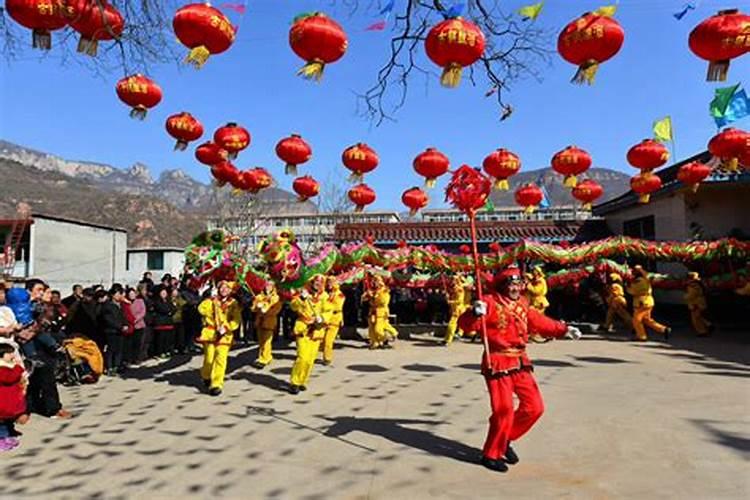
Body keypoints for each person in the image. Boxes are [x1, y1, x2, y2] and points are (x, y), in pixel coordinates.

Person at [459, 265, 582, 473]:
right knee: (503, 410)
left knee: (535, 407)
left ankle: (505, 437)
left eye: (518, 284)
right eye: (512, 284)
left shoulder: (523, 304)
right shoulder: (489, 302)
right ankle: (491, 454)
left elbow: (540, 322)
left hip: (520, 361)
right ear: (503, 285)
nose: (516, 288)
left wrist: (563, 329)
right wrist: (473, 312)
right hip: (497, 361)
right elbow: (466, 326)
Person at [197, 281, 241, 396]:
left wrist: (227, 327)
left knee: (221, 359)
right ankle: (206, 375)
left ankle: (216, 384)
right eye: (222, 287)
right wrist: (207, 299)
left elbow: (236, 319)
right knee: (209, 359)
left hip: (225, 335)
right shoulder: (211, 301)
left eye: (227, 288)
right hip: (210, 333)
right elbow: (201, 309)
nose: (224, 290)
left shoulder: (234, 303)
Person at [289, 275, 329, 394]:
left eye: (321, 282)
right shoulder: (303, 294)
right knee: (302, 357)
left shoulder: (325, 296)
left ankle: (303, 381)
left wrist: (321, 318)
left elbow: (329, 311)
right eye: (316, 281)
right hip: (303, 329)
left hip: (316, 331)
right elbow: (293, 306)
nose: (318, 283)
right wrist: (301, 298)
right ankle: (295, 382)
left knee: (310, 359)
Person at [627, 265, 671, 341]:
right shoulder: (646, 279)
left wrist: (627, 288)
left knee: (636, 320)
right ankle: (663, 329)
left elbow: (633, 291)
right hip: (648, 301)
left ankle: (641, 336)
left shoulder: (638, 281)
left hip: (641, 302)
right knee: (646, 320)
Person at [0, 343, 27, 451]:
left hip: (8, 398)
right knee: (1, 421)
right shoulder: (2, 368)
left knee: (8, 419)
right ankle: (2, 439)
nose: (12, 355)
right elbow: (9, 378)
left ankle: (9, 434)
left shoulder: (8, 365)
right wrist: (18, 367)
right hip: (3, 400)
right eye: (9, 353)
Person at [97, 285, 128, 375]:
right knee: (111, 350)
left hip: (120, 331)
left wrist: (125, 324)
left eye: (120, 293)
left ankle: (117, 366)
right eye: (118, 294)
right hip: (111, 331)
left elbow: (123, 317)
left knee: (119, 349)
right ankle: (110, 367)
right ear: (113, 295)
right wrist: (119, 326)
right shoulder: (107, 306)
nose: (119, 296)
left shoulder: (119, 305)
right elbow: (109, 320)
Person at [362, 276, 399, 349]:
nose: (374, 283)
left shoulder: (384, 290)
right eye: (373, 281)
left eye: (376, 281)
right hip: (372, 311)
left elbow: (383, 301)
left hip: (381, 311)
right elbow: (364, 299)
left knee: (378, 329)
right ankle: (375, 342)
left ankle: (385, 338)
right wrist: (366, 296)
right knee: (371, 328)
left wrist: (374, 296)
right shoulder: (371, 290)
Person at [251, 281, 282, 368]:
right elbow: (252, 308)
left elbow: (277, 309)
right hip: (259, 321)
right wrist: (257, 306)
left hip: (269, 322)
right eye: (266, 285)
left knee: (267, 341)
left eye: (270, 286)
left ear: (273, 287)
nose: (268, 287)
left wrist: (267, 310)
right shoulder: (259, 297)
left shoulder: (276, 298)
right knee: (261, 341)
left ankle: (264, 359)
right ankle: (265, 356)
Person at [322, 276, 345, 365]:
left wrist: (328, 304)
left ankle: (327, 358)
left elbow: (338, 306)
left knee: (328, 340)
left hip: (335, 318)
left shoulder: (339, 294)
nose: (329, 284)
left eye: (331, 282)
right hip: (326, 318)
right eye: (328, 282)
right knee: (322, 339)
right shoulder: (326, 293)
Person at [150, 285, 177, 359]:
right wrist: (169, 311)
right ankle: (160, 352)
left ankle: (166, 350)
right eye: (162, 292)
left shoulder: (168, 300)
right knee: (160, 339)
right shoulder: (157, 301)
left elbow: (174, 308)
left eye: (165, 292)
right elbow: (162, 309)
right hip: (160, 323)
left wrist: (170, 311)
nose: (164, 293)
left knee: (168, 338)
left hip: (168, 322)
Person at [684, 272, 711, 337]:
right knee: (698, 316)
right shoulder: (698, 283)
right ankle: (708, 325)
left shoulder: (693, 285)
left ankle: (703, 331)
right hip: (699, 303)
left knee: (696, 319)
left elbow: (691, 295)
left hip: (696, 304)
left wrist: (685, 297)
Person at [443, 275, 468, 345]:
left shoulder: (459, 289)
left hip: (458, 310)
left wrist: (450, 301)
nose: (452, 281)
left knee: (451, 325)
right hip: (455, 310)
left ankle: (448, 340)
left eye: (453, 279)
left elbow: (459, 301)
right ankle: (447, 339)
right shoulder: (453, 288)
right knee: (457, 324)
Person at [125, 287, 146, 364]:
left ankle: (137, 358)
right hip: (130, 326)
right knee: (130, 344)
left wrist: (136, 319)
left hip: (139, 325)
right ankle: (129, 359)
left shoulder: (140, 301)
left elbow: (143, 312)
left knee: (138, 343)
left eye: (133, 294)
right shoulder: (126, 302)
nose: (132, 295)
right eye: (130, 294)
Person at [171, 287, 188, 354]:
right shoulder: (169, 299)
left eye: (176, 292)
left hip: (180, 319)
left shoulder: (179, 299)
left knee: (180, 335)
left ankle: (181, 348)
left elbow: (184, 304)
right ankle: (173, 348)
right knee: (173, 336)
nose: (175, 293)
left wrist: (178, 301)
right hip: (172, 319)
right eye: (173, 292)